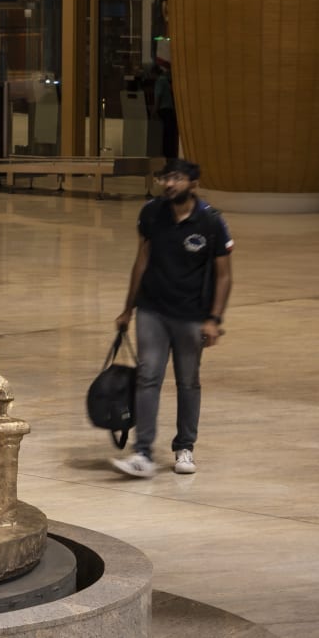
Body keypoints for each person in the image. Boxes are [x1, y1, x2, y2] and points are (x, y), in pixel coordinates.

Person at [113, 158, 233, 480]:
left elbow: (224, 275)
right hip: (152, 310)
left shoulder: (211, 221)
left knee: (188, 381)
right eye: (166, 177)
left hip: (191, 315)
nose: (169, 184)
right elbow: (141, 261)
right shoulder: (151, 213)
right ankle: (143, 453)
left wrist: (214, 319)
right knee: (148, 377)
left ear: (193, 183)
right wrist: (128, 309)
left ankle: (185, 447)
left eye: (177, 178)